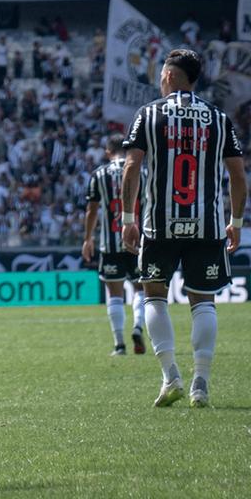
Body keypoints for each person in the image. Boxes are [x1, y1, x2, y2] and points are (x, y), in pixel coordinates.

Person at [121, 49, 247, 409]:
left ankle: (170, 376)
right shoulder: (218, 118)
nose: (159, 79)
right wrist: (235, 222)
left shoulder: (149, 114)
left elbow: (132, 167)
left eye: (162, 73)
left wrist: (128, 219)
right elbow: (238, 175)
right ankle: (201, 383)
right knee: (203, 301)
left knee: (154, 295)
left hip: (159, 224)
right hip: (206, 225)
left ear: (171, 76)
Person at [81, 134, 146, 356]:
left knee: (115, 294)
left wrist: (88, 238)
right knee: (141, 289)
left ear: (108, 152)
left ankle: (119, 345)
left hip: (110, 244)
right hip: (138, 241)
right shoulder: (143, 172)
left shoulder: (99, 174)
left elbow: (92, 210)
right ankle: (138, 326)